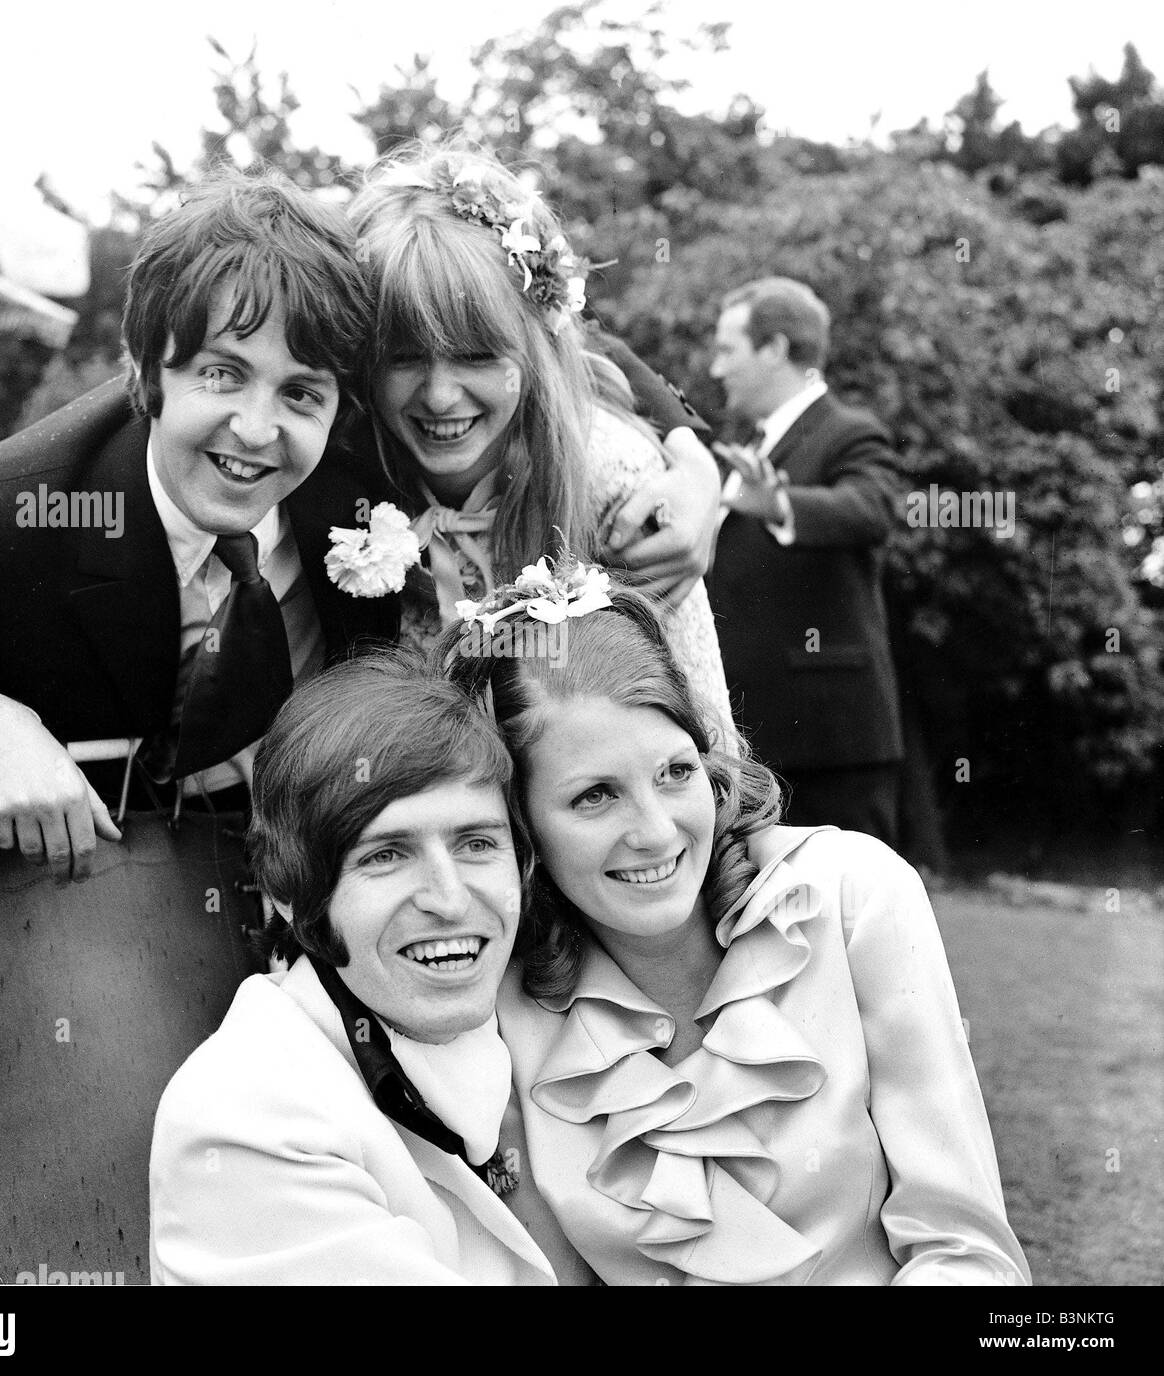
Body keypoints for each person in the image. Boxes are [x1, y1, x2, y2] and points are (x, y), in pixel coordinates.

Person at [437, 562, 1031, 1286]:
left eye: (674, 773)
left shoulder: (853, 897)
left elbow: (965, 1252)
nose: (656, 833)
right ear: (517, 825)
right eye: (595, 797)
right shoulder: (497, 1008)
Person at [0, 169, 393, 881]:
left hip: (292, 882)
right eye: (222, 375)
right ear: (149, 372)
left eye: (301, 392)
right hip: (51, 902)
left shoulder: (367, 494)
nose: (257, 429)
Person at [149, 653, 570, 1284]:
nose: (450, 900)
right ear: (287, 890)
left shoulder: (546, 1015)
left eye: (477, 843)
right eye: (387, 855)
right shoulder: (249, 1118)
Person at [345, 143, 734, 736]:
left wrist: (688, 450)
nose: (440, 396)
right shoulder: (330, 470)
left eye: (476, 357)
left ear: (536, 345)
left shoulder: (612, 480)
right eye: (402, 358)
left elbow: (701, 745)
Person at [705, 277, 904, 842]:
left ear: (774, 350)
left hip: (829, 745)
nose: (717, 370)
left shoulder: (850, 432)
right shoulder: (744, 446)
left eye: (727, 351)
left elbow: (871, 510)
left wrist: (781, 504)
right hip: (755, 746)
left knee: (850, 923)